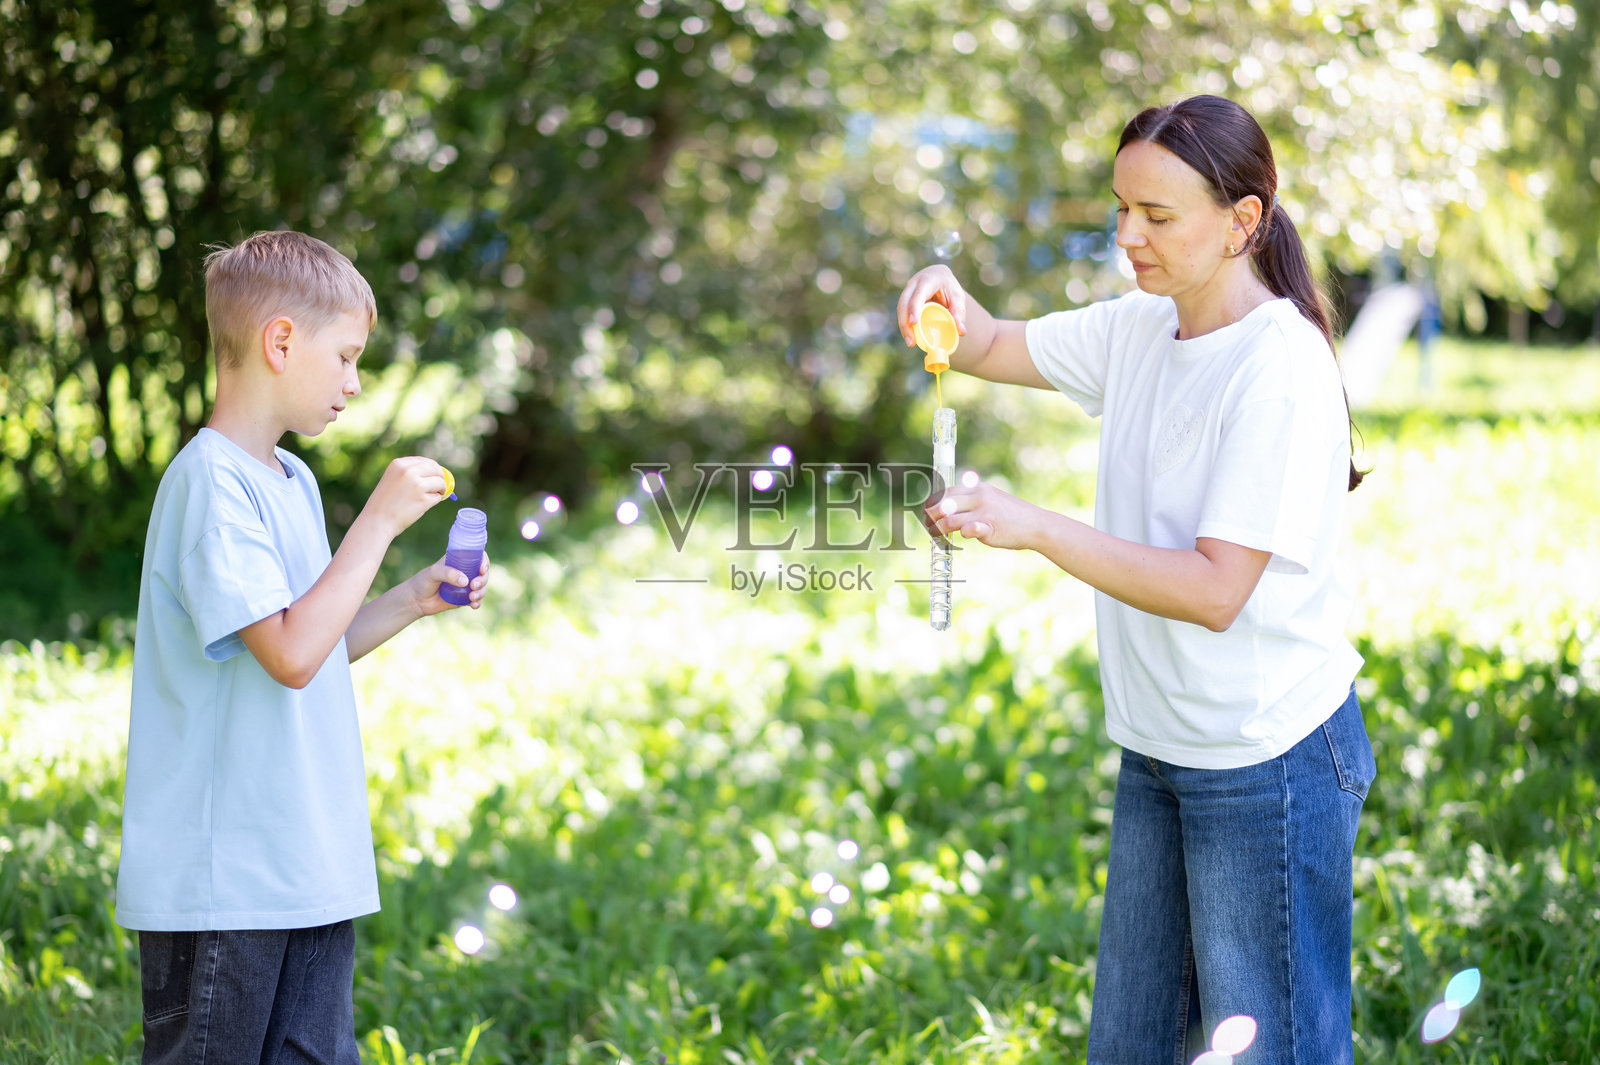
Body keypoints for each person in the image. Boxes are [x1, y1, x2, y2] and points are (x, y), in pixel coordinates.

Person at [897, 95, 1374, 1064]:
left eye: (1157, 218)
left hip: (1263, 760)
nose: (1128, 238)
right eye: (1121, 210)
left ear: (1243, 222)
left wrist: (1036, 528)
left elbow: (1213, 591)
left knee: (1268, 1050)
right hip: (1159, 749)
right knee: (1131, 1044)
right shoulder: (1138, 328)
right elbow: (988, 346)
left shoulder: (1276, 369)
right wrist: (945, 301)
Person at [115, 230, 490, 1064]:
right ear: (281, 341)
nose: (355, 383)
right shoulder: (211, 484)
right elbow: (287, 653)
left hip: (306, 862)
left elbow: (309, 643)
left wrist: (410, 597)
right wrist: (381, 521)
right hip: (227, 882)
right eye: (348, 356)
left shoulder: (293, 480)